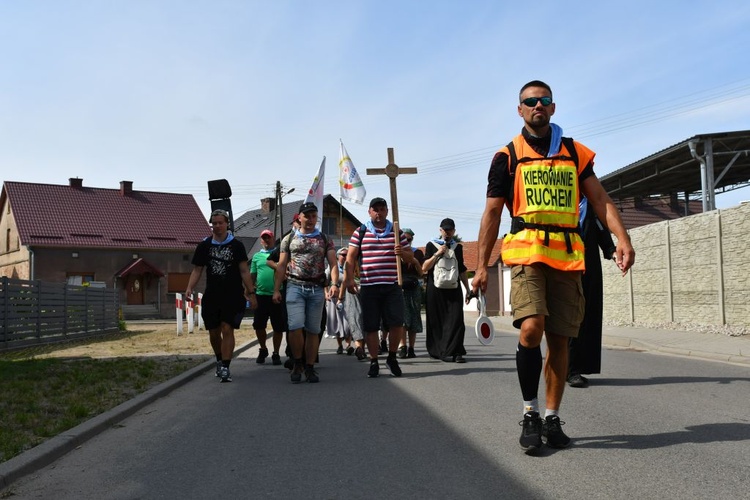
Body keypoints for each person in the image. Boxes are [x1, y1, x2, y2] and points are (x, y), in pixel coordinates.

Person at [472, 80, 635, 454]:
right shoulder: (507, 156)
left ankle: (551, 416)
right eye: (530, 102)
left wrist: (622, 239)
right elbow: (493, 212)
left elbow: (599, 199)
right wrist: (481, 265)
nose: (537, 106)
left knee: (560, 341)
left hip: (566, 257)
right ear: (520, 110)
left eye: (544, 100)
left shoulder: (575, 153)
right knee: (531, 329)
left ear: (553, 107)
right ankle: (529, 412)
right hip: (527, 254)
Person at [343, 197, 413, 378]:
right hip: (369, 286)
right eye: (375, 210)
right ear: (369, 212)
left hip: (392, 285)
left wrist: (402, 252)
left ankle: (391, 357)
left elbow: (410, 258)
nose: (379, 213)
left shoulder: (396, 232)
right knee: (371, 326)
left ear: (387, 211)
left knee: (396, 323)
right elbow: (350, 258)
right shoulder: (361, 231)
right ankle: (374, 361)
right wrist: (349, 280)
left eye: (382, 209)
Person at [185, 208, 257, 383]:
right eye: (214, 223)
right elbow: (197, 270)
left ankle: (225, 366)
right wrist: (189, 288)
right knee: (214, 332)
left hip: (232, 294)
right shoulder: (205, 245)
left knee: (227, 328)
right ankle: (219, 359)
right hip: (212, 294)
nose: (217, 226)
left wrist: (251, 292)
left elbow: (244, 270)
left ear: (227, 224)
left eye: (220, 223)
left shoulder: (237, 245)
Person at [273, 202, 338, 383]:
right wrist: (276, 289)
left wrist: (334, 283)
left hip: (316, 288)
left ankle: (309, 367)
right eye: (307, 216)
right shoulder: (289, 239)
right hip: (295, 286)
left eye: (313, 216)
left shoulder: (325, 239)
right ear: (299, 217)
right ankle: (297, 362)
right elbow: (281, 265)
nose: (310, 220)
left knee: (313, 330)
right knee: (295, 326)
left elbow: (333, 264)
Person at [567, 197, 616, 388]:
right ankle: (568, 368)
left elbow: (601, 229)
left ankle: (576, 368)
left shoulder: (590, 204)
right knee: (569, 318)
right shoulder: (560, 203)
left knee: (587, 317)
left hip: (589, 267)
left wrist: (612, 251)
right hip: (565, 267)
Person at [422, 218, 471, 363]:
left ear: (454, 231)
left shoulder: (458, 248)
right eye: (445, 230)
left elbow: (461, 270)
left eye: (450, 230)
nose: (447, 232)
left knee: (456, 320)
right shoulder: (431, 245)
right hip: (435, 289)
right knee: (436, 320)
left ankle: (456, 352)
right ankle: (437, 350)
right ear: (440, 230)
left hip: (454, 289)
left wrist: (468, 289)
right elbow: (424, 267)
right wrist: (437, 254)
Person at [250, 229, 285, 365]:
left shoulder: (279, 254)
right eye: (264, 238)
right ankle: (263, 348)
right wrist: (249, 289)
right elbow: (252, 275)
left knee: (278, 327)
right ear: (260, 240)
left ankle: (276, 353)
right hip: (261, 295)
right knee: (259, 325)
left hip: (277, 294)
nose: (266, 240)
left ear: (273, 238)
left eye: (268, 238)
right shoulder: (257, 257)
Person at [398, 228, 424, 358]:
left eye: (409, 239)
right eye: (405, 239)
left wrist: (415, 262)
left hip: (414, 288)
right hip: (401, 287)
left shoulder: (417, 253)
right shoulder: (397, 253)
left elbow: (421, 273)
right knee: (403, 318)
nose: (407, 242)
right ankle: (402, 346)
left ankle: (411, 347)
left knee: (414, 317)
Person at [328, 247, 354, 355]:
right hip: (334, 298)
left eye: (347, 255)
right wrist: (326, 293)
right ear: (338, 256)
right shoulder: (332, 268)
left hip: (348, 297)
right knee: (337, 322)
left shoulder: (351, 267)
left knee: (348, 322)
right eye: (343, 255)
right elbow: (325, 280)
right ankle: (339, 345)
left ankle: (348, 345)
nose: (345, 257)